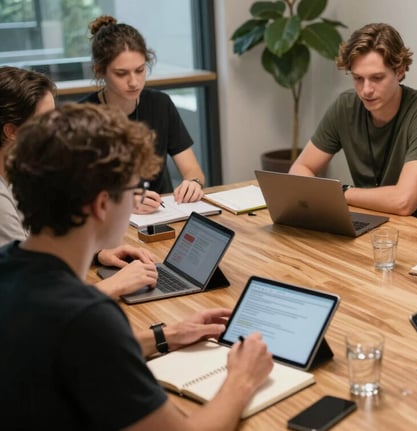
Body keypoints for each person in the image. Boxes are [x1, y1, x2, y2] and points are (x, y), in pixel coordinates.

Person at [0, 103, 274, 430]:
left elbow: (66, 352)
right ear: (102, 204)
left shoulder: (11, 267)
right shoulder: (87, 317)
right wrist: (242, 379)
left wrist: (163, 336)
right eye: (132, 190)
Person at [0, 65, 158, 298]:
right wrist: (113, 286)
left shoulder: (15, 175)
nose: (56, 131)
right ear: (12, 131)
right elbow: (30, 300)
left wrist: (97, 253)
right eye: (45, 122)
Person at [289, 23, 417, 221]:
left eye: (377, 78)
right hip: (368, 222)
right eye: (357, 78)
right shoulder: (345, 106)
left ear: (399, 71)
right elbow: (300, 169)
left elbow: (404, 201)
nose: (366, 90)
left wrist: (340, 193)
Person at [81, 15, 205, 214]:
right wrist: (121, 202)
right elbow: (75, 194)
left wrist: (193, 183)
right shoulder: (83, 117)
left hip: (162, 214)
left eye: (140, 70)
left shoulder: (160, 104)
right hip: (107, 222)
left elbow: (193, 170)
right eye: (121, 73)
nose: (134, 82)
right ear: (99, 71)